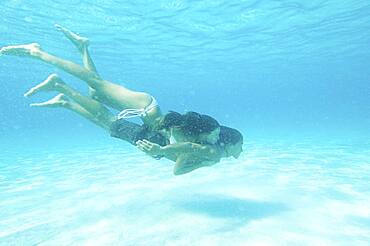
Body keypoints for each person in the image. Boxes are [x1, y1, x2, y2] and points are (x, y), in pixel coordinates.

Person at [0, 25, 243, 174]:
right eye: (214, 135)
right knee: (97, 85)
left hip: (146, 113)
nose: (215, 138)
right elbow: (185, 149)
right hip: (144, 104)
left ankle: (83, 47)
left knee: (95, 92)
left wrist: (198, 160)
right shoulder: (195, 135)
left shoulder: (202, 140)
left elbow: (183, 158)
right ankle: (38, 52)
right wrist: (171, 151)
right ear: (203, 131)